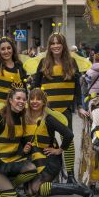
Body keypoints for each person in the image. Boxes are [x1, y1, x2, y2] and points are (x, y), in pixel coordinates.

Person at [31, 32, 87, 184]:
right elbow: (35, 86)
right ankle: (48, 173)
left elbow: (77, 87)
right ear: (49, 46)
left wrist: (80, 106)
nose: (55, 46)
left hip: (65, 110)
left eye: (58, 43)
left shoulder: (72, 63)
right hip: (47, 111)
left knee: (68, 141)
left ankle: (70, 175)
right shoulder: (43, 62)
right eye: (52, 43)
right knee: (46, 142)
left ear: (63, 45)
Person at [21, 88, 93, 197]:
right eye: (32, 99)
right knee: (29, 192)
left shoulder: (48, 118)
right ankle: (72, 187)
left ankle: (77, 188)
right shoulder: (23, 118)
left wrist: (59, 150)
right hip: (32, 160)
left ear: (44, 102)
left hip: (48, 161)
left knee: (35, 189)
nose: (35, 102)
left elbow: (68, 134)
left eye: (38, 99)